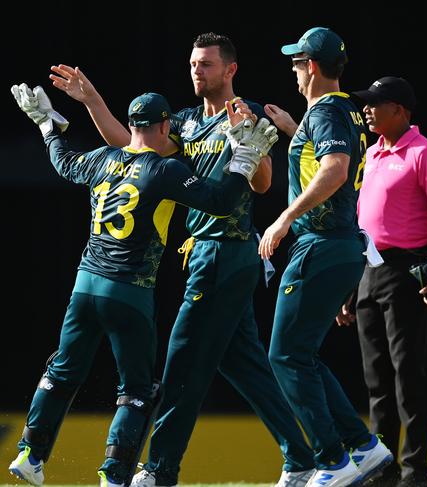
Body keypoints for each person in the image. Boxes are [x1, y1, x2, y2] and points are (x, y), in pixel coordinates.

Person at [49, 32, 316, 487]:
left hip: (225, 252)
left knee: (181, 362)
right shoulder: (186, 122)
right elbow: (133, 149)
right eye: (193, 63)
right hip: (202, 254)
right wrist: (92, 100)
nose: (197, 70)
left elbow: (263, 184)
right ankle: (305, 458)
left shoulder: (244, 113)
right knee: (245, 365)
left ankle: (159, 469)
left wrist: (244, 140)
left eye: (206, 64)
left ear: (230, 69)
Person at [8, 85, 276, 487]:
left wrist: (47, 124)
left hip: (84, 287)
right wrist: (243, 160)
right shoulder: (165, 170)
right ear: (166, 125)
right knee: (135, 389)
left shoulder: (101, 158)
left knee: (62, 373)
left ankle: (30, 454)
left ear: (131, 125)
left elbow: (63, 162)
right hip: (129, 292)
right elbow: (220, 203)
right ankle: (114, 475)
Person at [259, 27, 394, 487]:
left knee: (284, 356)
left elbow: (335, 171)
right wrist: (294, 132)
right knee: (301, 355)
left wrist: (282, 219)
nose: (294, 70)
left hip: (322, 245)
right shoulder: (340, 113)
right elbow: (329, 161)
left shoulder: (328, 110)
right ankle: (363, 446)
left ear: (311, 67)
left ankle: (332, 461)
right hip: (340, 247)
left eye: (297, 62)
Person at [334, 76, 427, 487]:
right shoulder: (371, 154)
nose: (368, 109)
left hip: (406, 274)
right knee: (376, 379)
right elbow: (363, 225)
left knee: (407, 375)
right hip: (370, 271)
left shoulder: (424, 154)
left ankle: (414, 472)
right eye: (367, 104)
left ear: (402, 111)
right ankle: (382, 469)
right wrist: (351, 287)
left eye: (377, 103)